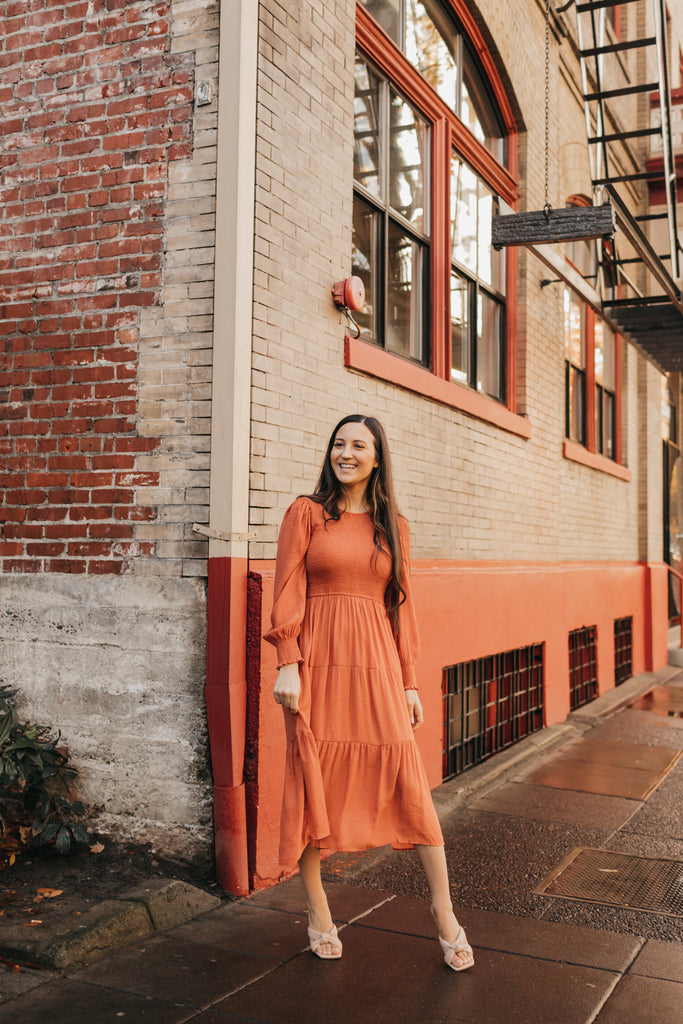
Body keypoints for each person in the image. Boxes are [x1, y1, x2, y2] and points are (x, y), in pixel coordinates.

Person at [264, 414, 474, 971]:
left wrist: (408, 681)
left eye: (359, 445)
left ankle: (443, 913)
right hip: (320, 670)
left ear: (377, 457)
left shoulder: (393, 527)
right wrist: (289, 662)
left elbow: (400, 608)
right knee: (317, 789)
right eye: (339, 443)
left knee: (408, 780)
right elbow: (287, 589)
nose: (346, 453)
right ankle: (318, 913)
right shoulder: (306, 514)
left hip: (377, 668)